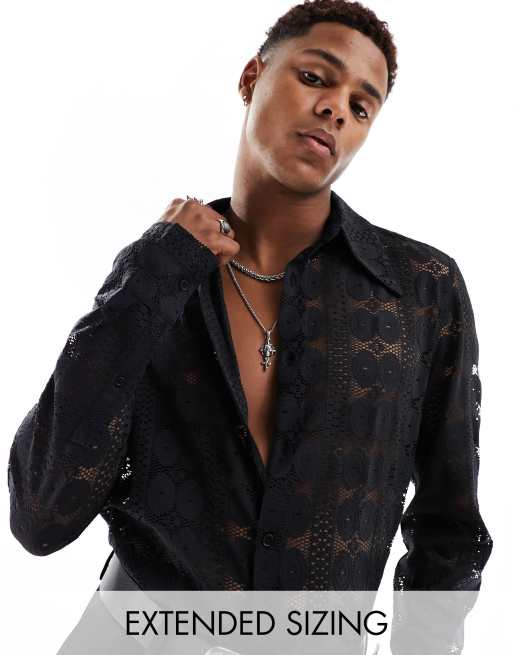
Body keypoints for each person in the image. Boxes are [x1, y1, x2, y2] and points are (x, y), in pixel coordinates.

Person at [8, 0, 492, 604]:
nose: (335, 109)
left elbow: (450, 529)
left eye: (361, 106)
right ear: (250, 77)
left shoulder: (420, 289)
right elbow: (40, 516)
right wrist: (152, 274)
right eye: (314, 77)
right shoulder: (159, 276)